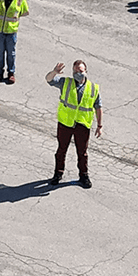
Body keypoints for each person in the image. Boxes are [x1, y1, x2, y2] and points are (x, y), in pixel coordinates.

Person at [46, 59, 102, 188]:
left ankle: (84, 176)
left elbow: (98, 107)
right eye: (75, 71)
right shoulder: (66, 82)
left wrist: (99, 126)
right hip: (65, 123)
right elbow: (49, 80)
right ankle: (58, 174)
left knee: (82, 153)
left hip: (82, 125)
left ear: (86, 71)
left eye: (80, 71)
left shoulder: (93, 88)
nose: (78, 73)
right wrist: (54, 72)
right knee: (61, 150)